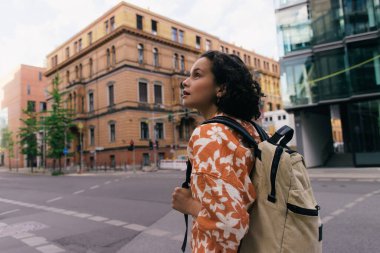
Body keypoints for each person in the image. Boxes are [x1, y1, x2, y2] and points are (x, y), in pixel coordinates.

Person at [171, 50, 264, 252]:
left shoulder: (209, 134)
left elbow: (230, 225)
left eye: (197, 75)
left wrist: (188, 205)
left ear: (221, 88)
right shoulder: (250, 130)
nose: (185, 82)